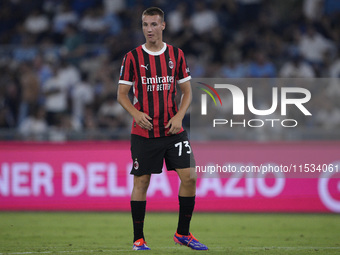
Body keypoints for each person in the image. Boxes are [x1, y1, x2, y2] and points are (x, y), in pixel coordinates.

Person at [117, 7, 208, 251]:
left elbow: (188, 91)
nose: (149, 29)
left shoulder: (176, 55)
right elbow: (122, 95)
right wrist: (136, 113)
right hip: (144, 130)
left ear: (163, 26)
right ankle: (139, 239)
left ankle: (183, 234)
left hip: (172, 129)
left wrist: (179, 116)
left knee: (190, 176)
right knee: (142, 182)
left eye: (154, 24)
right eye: (145, 25)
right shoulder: (132, 57)